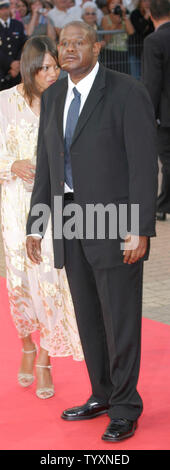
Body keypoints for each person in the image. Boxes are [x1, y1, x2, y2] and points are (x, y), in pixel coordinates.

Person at [26, 21, 157, 441]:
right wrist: (36, 224)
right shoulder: (54, 96)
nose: (69, 49)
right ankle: (101, 393)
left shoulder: (126, 92)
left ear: (97, 48)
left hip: (114, 222)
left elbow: (142, 166)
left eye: (79, 42)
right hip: (68, 220)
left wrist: (140, 228)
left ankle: (125, 405)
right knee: (89, 316)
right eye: (64, 43)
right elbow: (47, 164)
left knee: (119, 318)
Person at [0, 35, 83, 400]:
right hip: (15, 206)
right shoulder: (5, 102)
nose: (52, 73)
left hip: (52, 208)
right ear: (30, 67)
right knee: (19, 281)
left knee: (50, 278)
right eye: (45, 67)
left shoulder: (65, 102)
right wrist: (11, 164)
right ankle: (27, 346)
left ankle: (46, 359)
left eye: (55, 66)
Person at [143, 0, 170, 221]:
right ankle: (163, 204)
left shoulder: (154, 41)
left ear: (150, 15)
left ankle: (162, 205)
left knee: (168, 160)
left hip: (166, 114)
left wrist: (148, 114)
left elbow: (152, 82)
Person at [101, 0, 134, 73]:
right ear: (108, 6)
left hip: (123, 52)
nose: (115, 5)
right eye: (112, 3)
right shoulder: (105, 18)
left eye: (118, 3)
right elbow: (106, 37)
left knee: (123, 77)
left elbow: (131, 32)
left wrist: (124, 16)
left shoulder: (124, 17)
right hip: (109, 52)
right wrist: (116, 22)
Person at [0, 0, 26, 91]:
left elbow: (23, 44)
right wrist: (11, 63)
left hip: (17, 71)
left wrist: (17, 64)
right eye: (1, 9)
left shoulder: (18, 24)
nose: (4, 11)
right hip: (2, 71)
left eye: (6, 8)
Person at [130, 0, 154, 79]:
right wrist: (146, 17)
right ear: (140, 2)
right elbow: (140, 29)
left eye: (149, 1)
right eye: (144, 1)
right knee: (136, 77)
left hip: (150, 50)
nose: (147, 3)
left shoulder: (154, 14)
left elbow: (152, 30)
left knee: (148, 76)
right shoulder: (135, 14)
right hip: (137, 50)